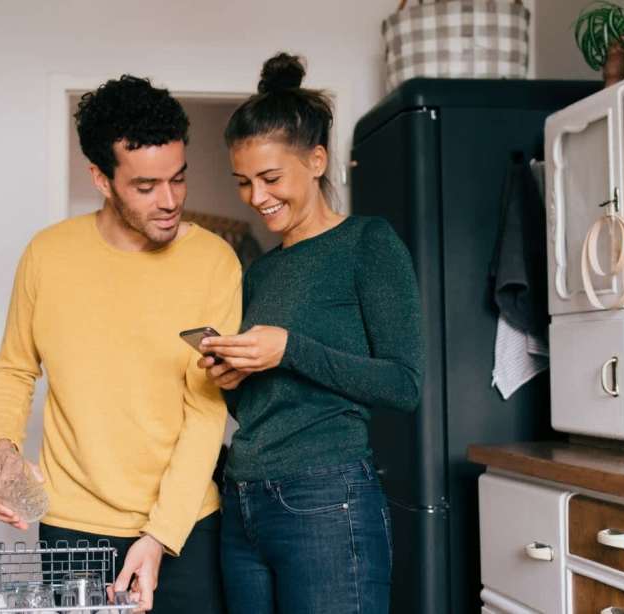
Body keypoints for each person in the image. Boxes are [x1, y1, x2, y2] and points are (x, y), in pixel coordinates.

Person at [0, 74, 240, 613]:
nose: (169, 201)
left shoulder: (214, 262)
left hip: (188, 527)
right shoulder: (47, 256)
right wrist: (4, 450)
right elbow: (14, 368)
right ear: (101, 178)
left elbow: (205, 412)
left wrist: (160, 536)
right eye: (146, 187)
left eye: (178, 179)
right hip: (73, 531)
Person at [199, 53, 424, 614]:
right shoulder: (259, 271)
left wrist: (289, 348)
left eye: (271, 178)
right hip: (242, 498)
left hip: (327, 497)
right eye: (244, 183)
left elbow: (404, 384)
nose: (257, 197)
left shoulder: (367, 244)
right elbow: (262, 403)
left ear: (317, 160)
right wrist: (231, 376)